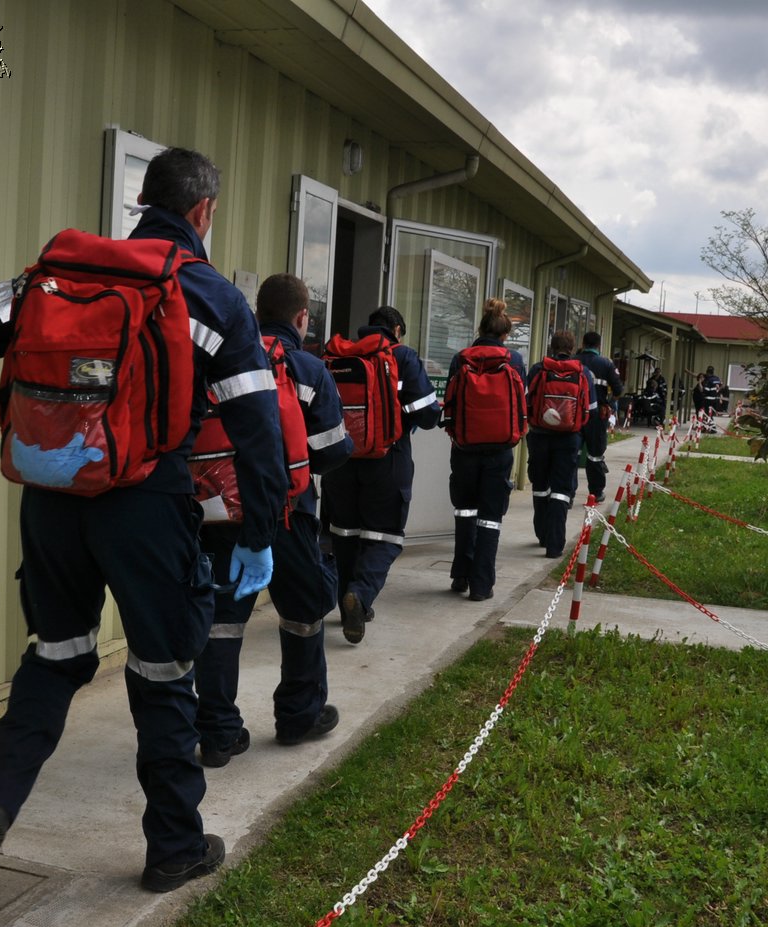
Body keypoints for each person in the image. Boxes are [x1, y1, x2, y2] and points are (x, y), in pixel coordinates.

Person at [0, 147, 286, 893]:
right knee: (162, 671)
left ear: (142, 203)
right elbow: (259, 431)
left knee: (56, 655)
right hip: (146, 504)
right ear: (203, 212)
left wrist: (31, 291)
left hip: (53, 497)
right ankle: (175, 847)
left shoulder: (59, 275)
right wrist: (260, 531)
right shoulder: (212, 297)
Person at [195, 274, 353, 765]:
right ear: (302, 318)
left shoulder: (217, 358)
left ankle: (219, 734)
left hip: (217, 512)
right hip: (289, 515)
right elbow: (335, 450)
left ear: (257, 311)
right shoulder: (307, 368)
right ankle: (298, 716)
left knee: (222, 622)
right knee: (303, 614)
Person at [321, 307, 440, 643]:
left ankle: (350, 610)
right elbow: (429, 414)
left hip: (340, 460)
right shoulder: (401, 356)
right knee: (385, 535)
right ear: (397, 330)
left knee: (344, 533)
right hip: (388, 458)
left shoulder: (337, 355)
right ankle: (359, 595)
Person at [442, 298, 528, 598]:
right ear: (504, 334)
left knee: (465, 512)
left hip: (464, 449)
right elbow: (522, 404)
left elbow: (450, 405)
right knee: (490, 517)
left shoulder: (461, 358)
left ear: (480, 327)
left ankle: (460, 574)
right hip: (500, 450)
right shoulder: (513, 360)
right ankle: (481, 584)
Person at [525, 330, 593, 559]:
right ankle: (554, 545)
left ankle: (542, 534)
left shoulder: (538, 369)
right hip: (569, 439)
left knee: (540, 485)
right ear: (573, 348)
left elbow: (527, 401)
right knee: (562, 491)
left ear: (551, 347)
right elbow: (589, 409)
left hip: (540, 436)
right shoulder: (582, 372)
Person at [577, 331, 624, 501]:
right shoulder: (606, 364)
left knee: (571, 453)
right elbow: (618, 390)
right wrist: (609, 403)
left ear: (583, 343)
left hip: (575, 414)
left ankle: (566, 494)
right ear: (598, 345)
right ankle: (596, 493)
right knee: (595, 455)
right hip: (597, 416)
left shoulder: (574, 361)